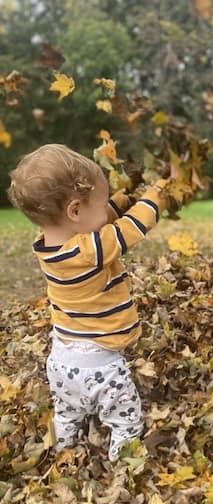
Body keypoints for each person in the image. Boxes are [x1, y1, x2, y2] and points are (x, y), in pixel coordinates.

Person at [8, 143, 171, 460]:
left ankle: (63, 448)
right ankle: (122, 462)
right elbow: (130, 228)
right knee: (124, 419)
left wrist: (125, 196)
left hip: (61, 361)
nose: (106, 210)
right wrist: (162, 188)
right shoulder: (88, 251)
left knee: (67, 412)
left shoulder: (52, 248)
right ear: (75, 211)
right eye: (99, 203)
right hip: (99, 367)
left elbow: (104, 218)